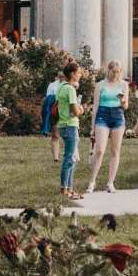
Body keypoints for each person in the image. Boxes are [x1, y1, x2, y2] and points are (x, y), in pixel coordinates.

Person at [82, 61, 130, 195]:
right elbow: (95, 106)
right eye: (113, 71)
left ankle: (110, 183)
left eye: (118, 71)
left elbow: (126, 106)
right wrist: (92, 126)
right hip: (102, 115)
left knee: (115, 151)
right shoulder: (100, 85)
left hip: (118, 116)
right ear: (108, 70)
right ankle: (92, 182)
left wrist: (122, 100)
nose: (116, 74)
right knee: (100, 151)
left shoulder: (123, 84)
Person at [51, 62, 85, 198]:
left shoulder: (60, 87)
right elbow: (75, 111)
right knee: (70, 158)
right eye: (78, 72)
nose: (80, 74)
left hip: (62, 125)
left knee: (72, 158)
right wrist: (82, 109)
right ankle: (64, 188)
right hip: (71, 125)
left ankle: (70, 189)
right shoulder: (70, 89)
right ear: (72, 74)